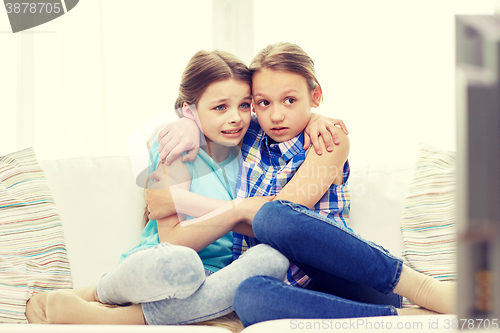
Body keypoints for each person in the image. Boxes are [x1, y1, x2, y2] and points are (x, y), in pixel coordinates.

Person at [25, 49, 340, 327]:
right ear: (190, 109)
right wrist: (236, 209)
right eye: (219, 107)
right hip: (162, 263)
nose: (236, 118)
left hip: (221, 278)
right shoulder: (175, 146)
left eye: (245, 105)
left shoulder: (253, 143)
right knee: (182, 264)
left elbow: (285, 115)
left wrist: (316, 120)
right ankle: (100, 292)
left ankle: (107, 315)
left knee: (270, 260)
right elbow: (174, 240)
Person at [159, 42, 456, 328]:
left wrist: (315, 119)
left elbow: (282, 220)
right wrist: (185, 124)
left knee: (274, 216)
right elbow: (210, 114)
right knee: (247, 297)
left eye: (290, 100)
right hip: (284, 280)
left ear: (315, 96)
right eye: (263, 102)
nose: (276, 115)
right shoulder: (249, 131)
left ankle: (425, 289)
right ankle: (393, 318)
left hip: (346, 275)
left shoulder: (328, 140)